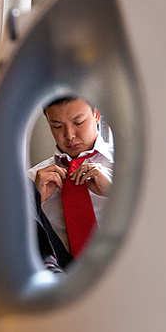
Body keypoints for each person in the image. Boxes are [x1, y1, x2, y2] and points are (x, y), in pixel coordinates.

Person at [28, 97, 113, 261]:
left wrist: (115, 191)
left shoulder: (131, 168)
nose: (70, 135)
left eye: (79, 122)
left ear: (96, 114)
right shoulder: (32, 181)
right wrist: (33, 201)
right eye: (57, 126)